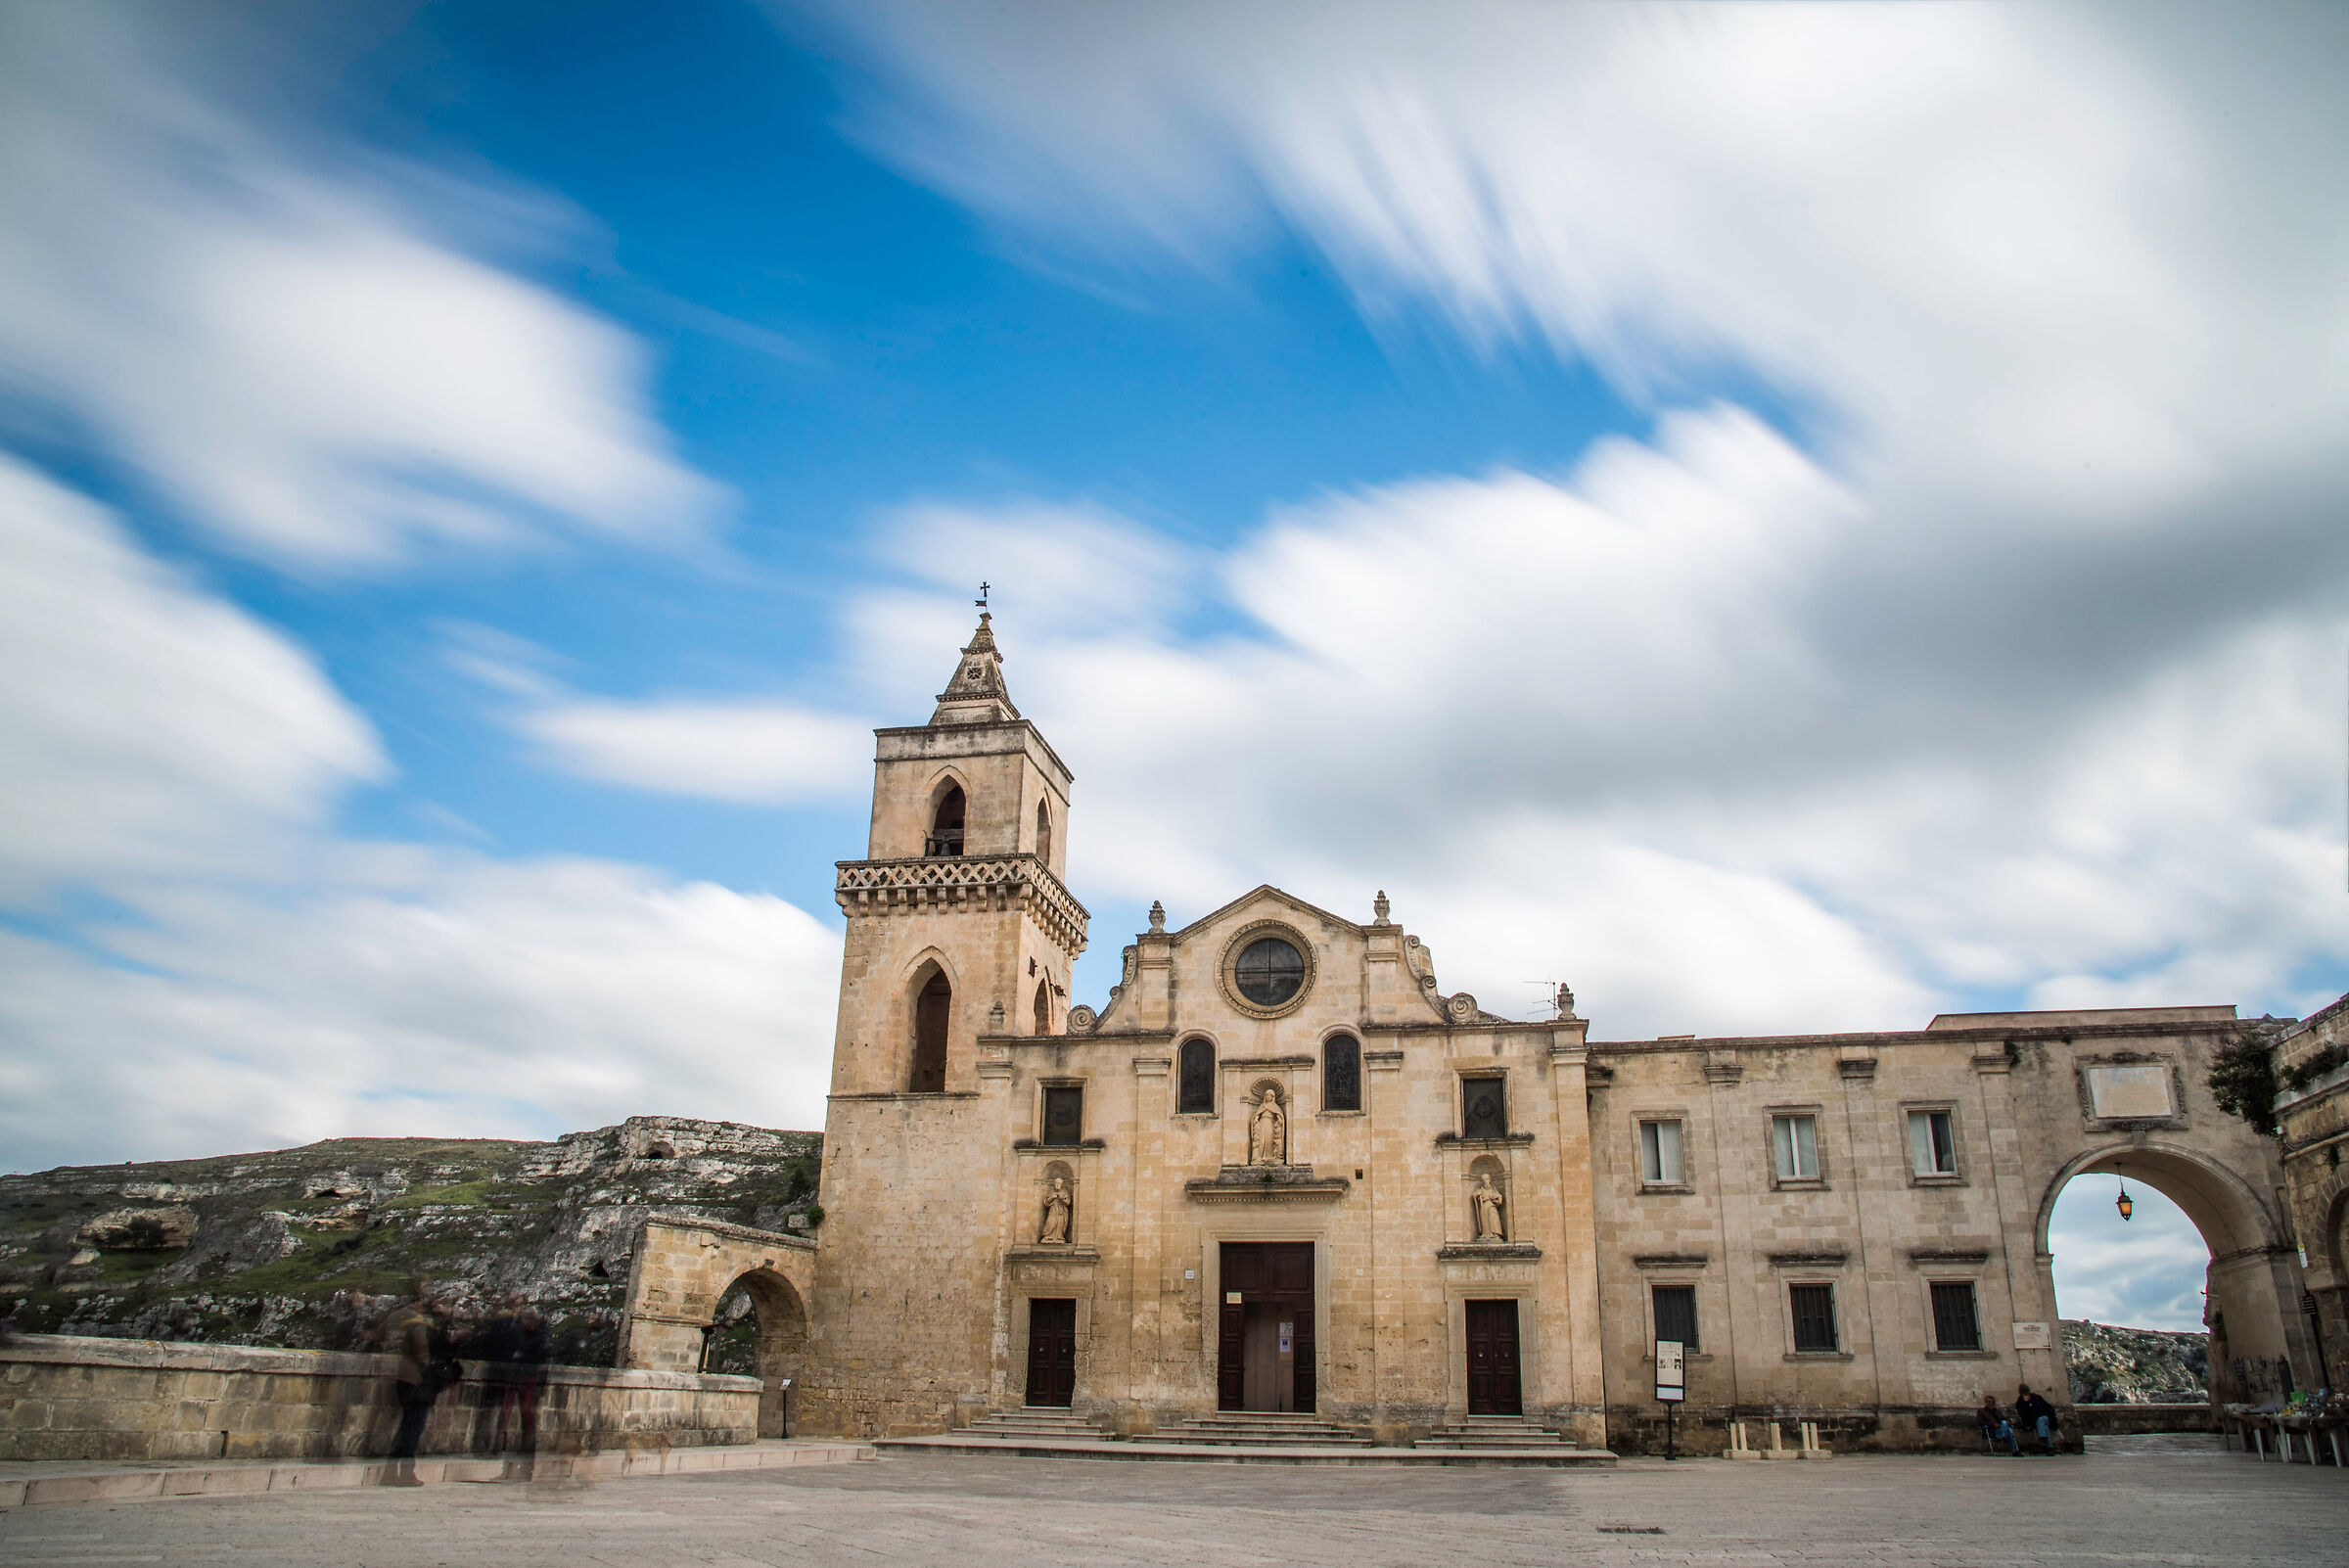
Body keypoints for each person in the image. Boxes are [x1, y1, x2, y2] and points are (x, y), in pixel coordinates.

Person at [383, 1283, 458, 1486]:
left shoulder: (411, 1320)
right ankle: (405, 1473)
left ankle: (391, 1471)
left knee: (407, 1426)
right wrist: (432, 1369)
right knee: (413, 1428)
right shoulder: (420, 1324)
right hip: (417, 1381)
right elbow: (421, 1351)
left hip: (408, 1378)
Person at [2016, 1383, 2059, 1454]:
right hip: (2032, 1421)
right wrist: (2026, 1403)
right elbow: (2024, 1414)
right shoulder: (2020, 1402)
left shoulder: (2036, 1398)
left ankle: (2043, 1439)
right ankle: (2049, 1447)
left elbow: (2047, 1408)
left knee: (2042, 1419)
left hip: (2044, 1418)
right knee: (2043, 1424)